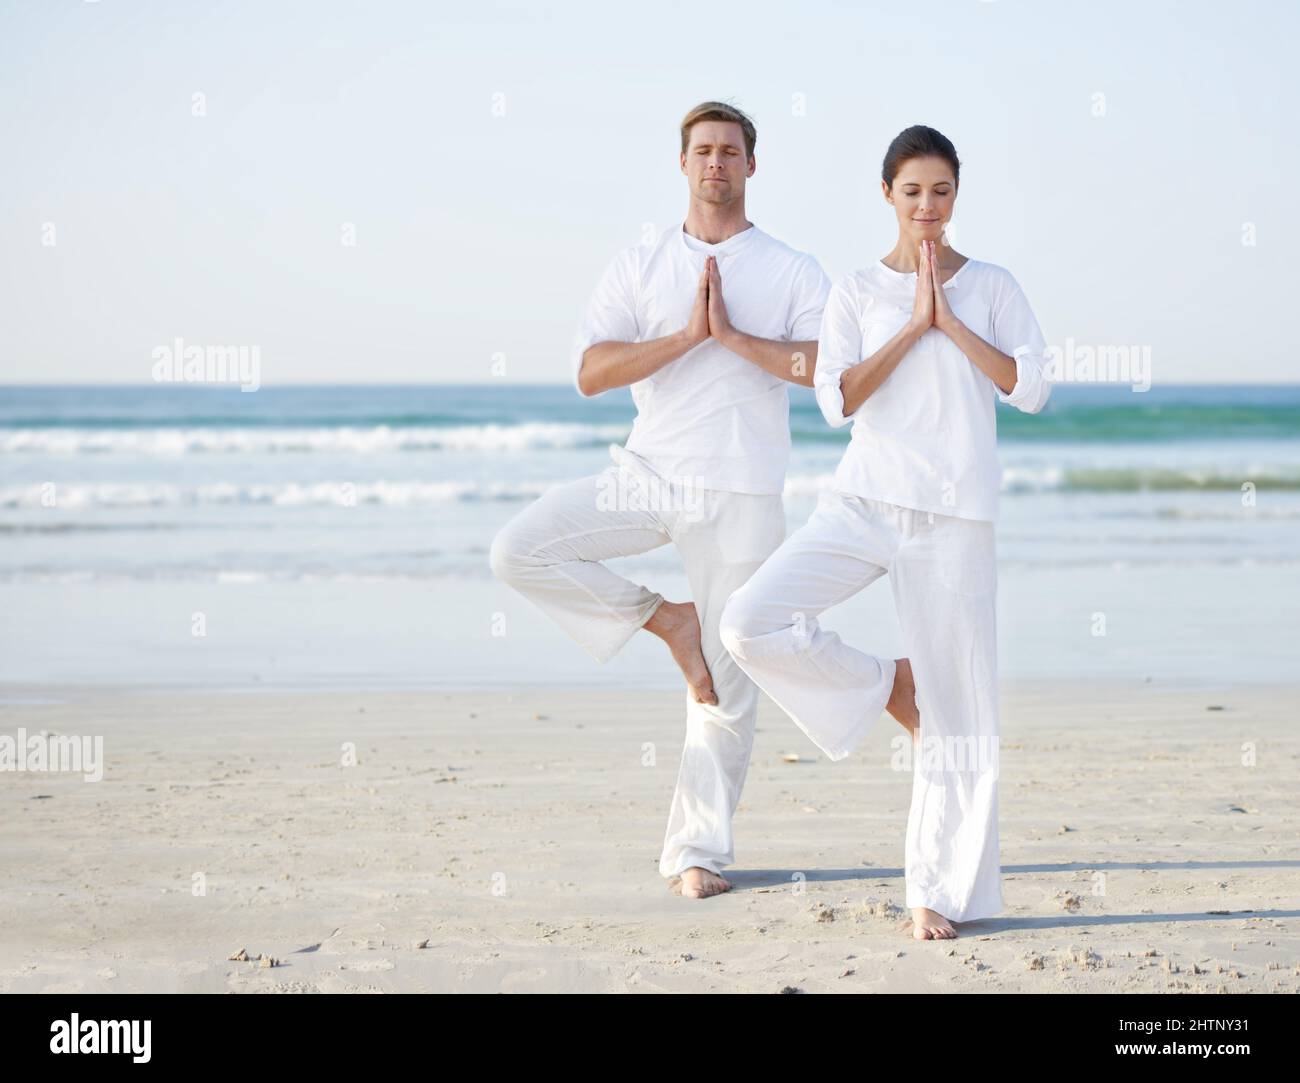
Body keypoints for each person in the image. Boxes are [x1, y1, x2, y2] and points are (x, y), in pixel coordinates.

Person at [489, 101, 832, 899]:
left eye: (731, 151)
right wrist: (685, 337)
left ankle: (696, 852)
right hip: (646, 472)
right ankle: (662, 618)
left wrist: (733, 337)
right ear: (683, 164)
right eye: (703, 150)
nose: (717, 162)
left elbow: (825, 369)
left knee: (728, 676)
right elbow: (590, 370)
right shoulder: (640, 262)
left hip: (743, 487)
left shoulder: (790, 268)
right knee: (519, 548)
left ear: (753, 164)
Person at [719, 124, 1053, 939]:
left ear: (956, 195)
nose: (928, 206)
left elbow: (1032, 388)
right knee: (746, 620)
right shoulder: (858, 291)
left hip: (956, 519)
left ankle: (937, 892)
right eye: (913, 192)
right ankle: (883, 685)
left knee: (963, 715)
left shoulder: (996, 286)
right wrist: (910, 325)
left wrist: (949, 322)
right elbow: (838, 400)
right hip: (865, 503)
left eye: (941, 191)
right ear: (888, 196)